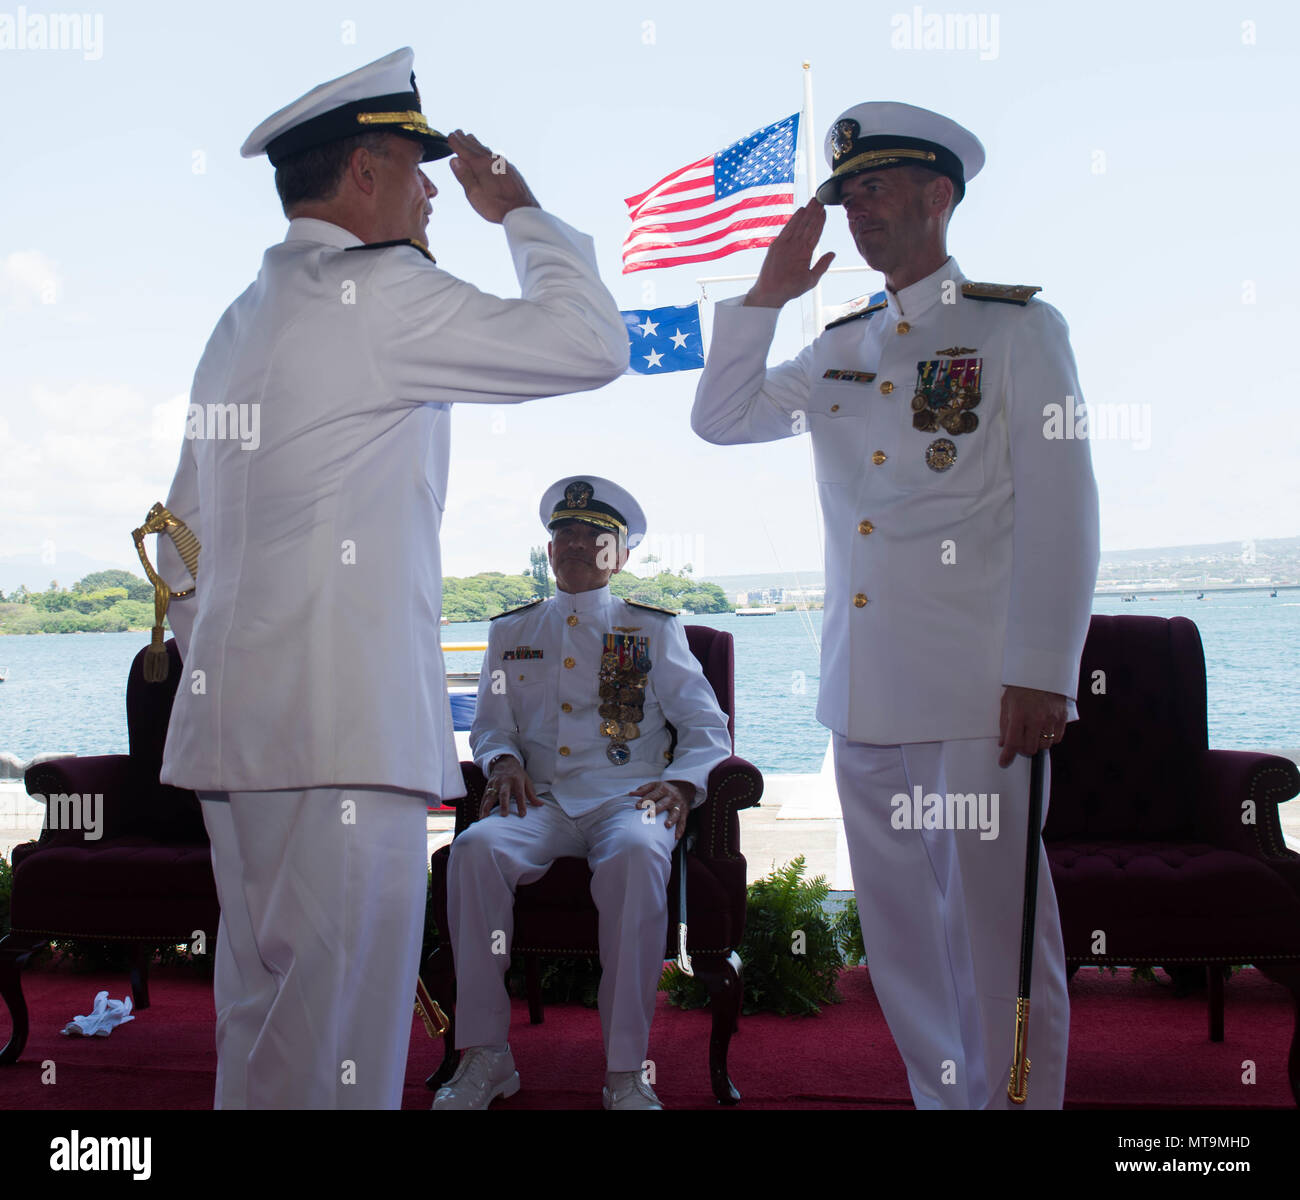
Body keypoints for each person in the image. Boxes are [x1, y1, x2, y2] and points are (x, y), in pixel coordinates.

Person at [155, 48, 628, 1110]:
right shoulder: (376, 293)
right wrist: (524, 214)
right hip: (340, 737)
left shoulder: (240, 320)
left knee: (265, 1017)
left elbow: (178, 541)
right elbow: (592, 343)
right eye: (419, 171)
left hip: (242, 730)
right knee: (339, 1044)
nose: (434, 196)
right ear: (365, 174)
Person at [691, 102, 1099, 1109]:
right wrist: (764, 295)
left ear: (938, 194)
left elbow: (1063, 507)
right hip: (862, 694)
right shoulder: (837, 343)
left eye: (874, 187)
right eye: (844, 193)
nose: (857, 210)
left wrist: (1041, 670)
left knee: (996, 933)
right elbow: (720, 418)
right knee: (904, 939)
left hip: (976, 695)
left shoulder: (1016, 329)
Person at [435, 475, 731, 1110]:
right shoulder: (511, 633)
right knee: (474, 851)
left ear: (619, 557)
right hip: (539, 802)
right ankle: (486, 1056)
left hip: (626, 800)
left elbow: (708, 728)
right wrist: (504, 760)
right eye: (563, 533)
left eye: (593, 535)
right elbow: (490, 726)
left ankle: (626, 1069)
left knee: (634, 854)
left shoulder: (650, 630)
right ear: (549, 551)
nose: (574, 543)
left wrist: (682, 782)